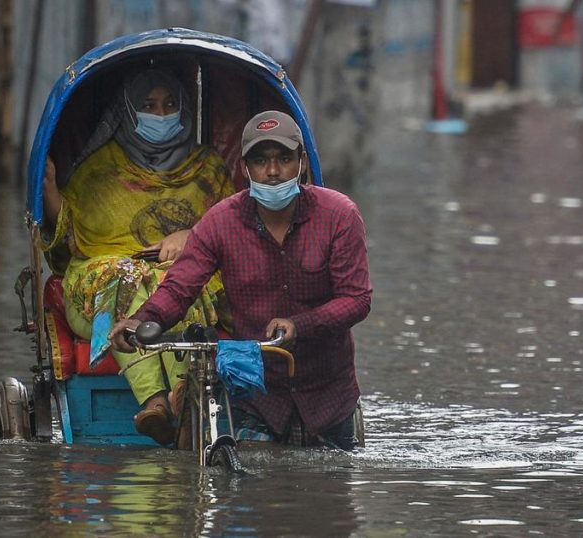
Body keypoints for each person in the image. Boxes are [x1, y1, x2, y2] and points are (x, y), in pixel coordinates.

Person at [109, 110, 372, 451]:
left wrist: (299, 325)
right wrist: (144, 320)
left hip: (327, 395)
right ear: (246, 168)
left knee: (329, 495)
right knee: (248, 490)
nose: (273, 172)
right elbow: (180, 287)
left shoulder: (339, 215)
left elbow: (357, 299)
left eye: (284, 159)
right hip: (257, 394)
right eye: (261, 161)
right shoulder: (220, 222)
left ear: (302, 163)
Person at [42, 67, 236, 445]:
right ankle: (156, 401)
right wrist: (50, 193)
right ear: (130, 111)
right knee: (129, 279)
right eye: (149, 105)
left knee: (175, 282)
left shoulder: (208, 168)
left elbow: (234, 229)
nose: (160, 115)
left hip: (184, 278)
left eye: (169, 105)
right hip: (99, 292)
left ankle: (181, 397)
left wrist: (192, 235)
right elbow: (70, 242)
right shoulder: (99, 170)